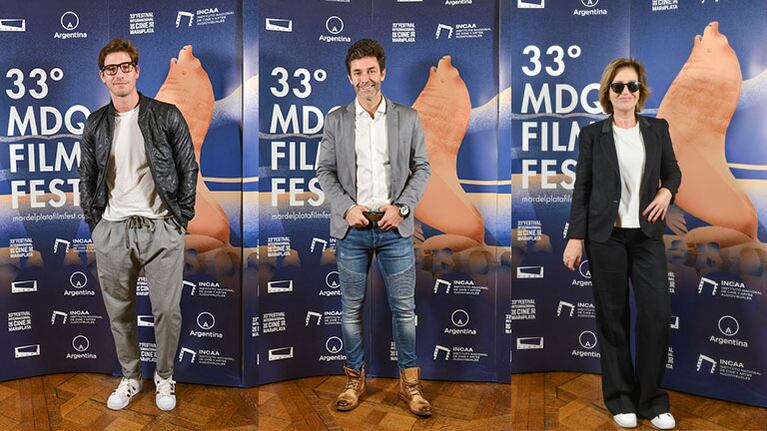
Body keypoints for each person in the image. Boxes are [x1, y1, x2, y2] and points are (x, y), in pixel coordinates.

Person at [78, 38, 198, 412]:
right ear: (103, 77)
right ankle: (131, 377)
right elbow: (87, 178)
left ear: (136, 70)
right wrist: (97, 225)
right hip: (113, 229)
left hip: (161, 227)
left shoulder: (165, 115)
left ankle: (164, 377)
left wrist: (181, 220)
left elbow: (187, 169)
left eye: (125, 66)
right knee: (120, 310)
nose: (119, 74)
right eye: (111, 69)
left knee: (167, 310)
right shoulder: (95, 123)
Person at [562, 58, 681, 430]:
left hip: (646, 237)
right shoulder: (591, 135)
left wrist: (666, 191)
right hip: (606, 238)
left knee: (657, 315)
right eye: (618, 87)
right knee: (612, 320)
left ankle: (652, 400)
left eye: (632, 86)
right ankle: (620, 399)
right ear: (608, 93)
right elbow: (582, 189)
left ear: (641, 92)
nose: (625, 92)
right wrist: (575, 237)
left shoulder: (657, 129)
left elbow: (673, 170)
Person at [316, 38, 432, 417]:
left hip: (394, 227)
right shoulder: (336, 120)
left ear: (383, 73)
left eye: (371, 71)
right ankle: (353, 381)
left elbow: (423, 169)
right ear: (350, 78)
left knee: (403, 310)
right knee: (350, 311)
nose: (365, 79)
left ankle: (411, 386)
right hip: (352, 229)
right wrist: (346, 208)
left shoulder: (408, 118)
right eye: (357, 73)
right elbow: (325, 172)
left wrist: (402, 208)